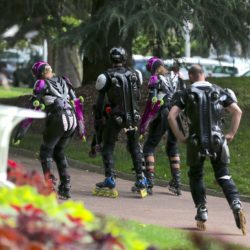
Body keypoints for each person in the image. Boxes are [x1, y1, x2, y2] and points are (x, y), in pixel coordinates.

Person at [168, 64, 246, 234]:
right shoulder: (219, 91)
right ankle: (236, 203)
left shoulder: (186, 93)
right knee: (224, 174)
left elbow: (171, 115)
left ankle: (202, 210)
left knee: (196, 175)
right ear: (203, 74)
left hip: (196, 141)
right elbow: (237, 111)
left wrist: (181, 137)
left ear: (190, 76)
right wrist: (231, 133)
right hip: (218, 140)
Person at [13, 61, 86, 199]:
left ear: (39, 74)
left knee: (46, 151)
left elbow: (32, 108)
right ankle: (66, 187)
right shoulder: (64, 80)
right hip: (72, 119)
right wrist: (82, 129)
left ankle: (50, 186)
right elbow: (76, 103)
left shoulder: (41, 83)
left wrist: (20, 131)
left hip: (58, 117)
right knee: (59, 151)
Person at [93, 47, 147, 198]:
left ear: (111, 59)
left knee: (108, 145)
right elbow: (137, 96)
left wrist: (98, 117)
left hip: (116, 117)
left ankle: (110, 178)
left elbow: (99, 103)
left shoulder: (105, 76)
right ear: (125, 58)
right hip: (134, 117)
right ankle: (141, 178)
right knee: (134, 145)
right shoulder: (136, 74)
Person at [140, 57, 183, 195]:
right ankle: (177, 182)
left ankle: (150, 180)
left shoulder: (155, 79)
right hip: (176, 115)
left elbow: (152, 101)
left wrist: (146, 121)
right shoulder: (176, 77)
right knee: (172, 146)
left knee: (149, 146)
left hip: (162, 114)